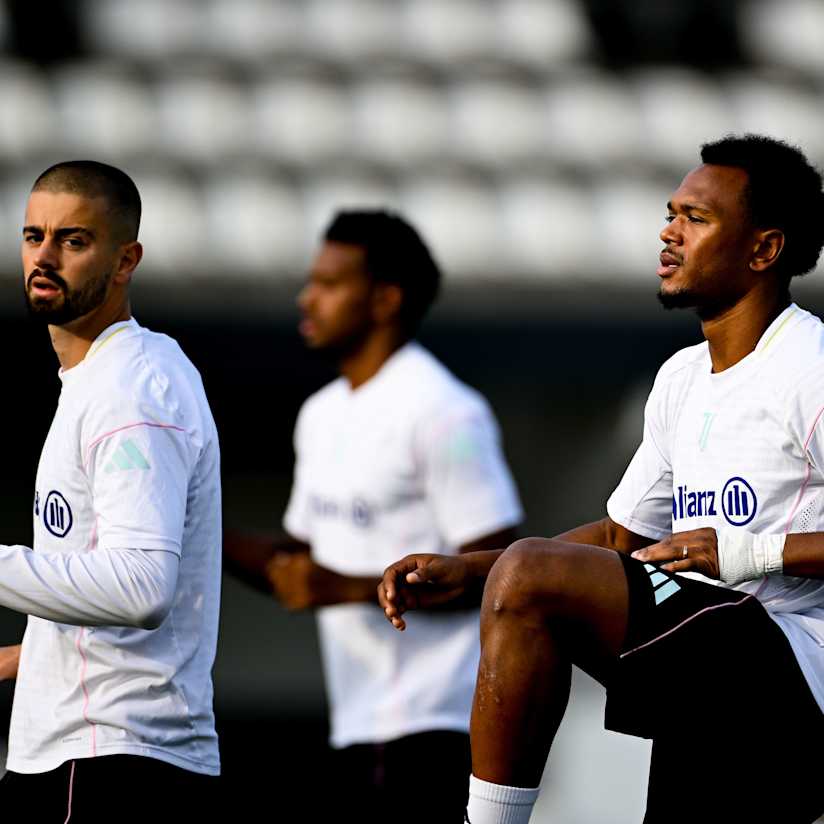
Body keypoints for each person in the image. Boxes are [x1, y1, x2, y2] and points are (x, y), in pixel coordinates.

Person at [380, 135, 824, 824]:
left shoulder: (809, 364)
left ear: (764, 250)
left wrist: (749, 554)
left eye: (697, 218)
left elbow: (557, 572)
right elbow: (622, 533)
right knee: (523, 578)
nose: (668, 231)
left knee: (532, 577)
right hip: (716, 670)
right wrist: (471, 573)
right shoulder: (681, 378)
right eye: (671, 211)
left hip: (794, 664)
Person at [224, 210, 522, 823]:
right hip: (355, 720)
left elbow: (503, 577)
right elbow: (298, 561)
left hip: (440, 724)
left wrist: (341, 588)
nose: (307, 298)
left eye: (330, 284)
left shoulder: (446, 412)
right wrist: (193, 528)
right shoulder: (320, 414)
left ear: (386, 299)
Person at [0, 160, 222, 821]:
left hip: (109, 763)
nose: (45, 256)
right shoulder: (103, 378)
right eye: (33, 235)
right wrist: (23, 659)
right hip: (93, 755)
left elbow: (141, 589)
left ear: (126, 260)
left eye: (73, 241)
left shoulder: (131, 391)